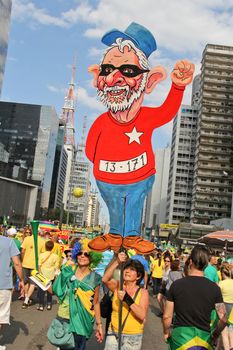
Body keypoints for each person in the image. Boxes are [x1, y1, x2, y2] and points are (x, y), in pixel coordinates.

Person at [86, 22, 194, 254]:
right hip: (107, 178)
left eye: (128, 71)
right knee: (115, 205)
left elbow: (166, 112)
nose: (114, 78)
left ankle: (132, 235)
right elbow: (89, 151)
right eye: (107, 70)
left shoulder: (145, 118)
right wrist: (107, 166)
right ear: (98, 77)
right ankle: (115, 233)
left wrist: (178, 87)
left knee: (134, 202)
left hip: (140, 176)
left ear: (151, 80)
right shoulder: (101, 122)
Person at [163, 245, 228, 350]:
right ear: (206, 265)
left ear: (191, 261)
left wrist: (166, 332)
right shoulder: (214, 288)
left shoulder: (177, 285)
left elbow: (167, 316)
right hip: (204, 340)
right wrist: (215, 334)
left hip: (180, 339)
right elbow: (224, 319)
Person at [52, 240, 104, 350]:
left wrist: (99, 325)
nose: (82, 256)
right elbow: (55, 290)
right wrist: (41, 281)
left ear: (92, 258)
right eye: (80, 253)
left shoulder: (95, 278)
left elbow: (95, 303)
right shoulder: (68, 271)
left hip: (83, 320)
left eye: (86, 254)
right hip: (66, 318)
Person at [102, 252, 149, 350]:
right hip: (113, 333)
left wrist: (127, 298)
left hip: (133, 337)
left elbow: (142, 315)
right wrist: (117, 261)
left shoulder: (143, 292)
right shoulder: (117, 286)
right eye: (126, 269)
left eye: (132, 270)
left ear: (138, 276)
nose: (127, 271)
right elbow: (105, 279)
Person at [0, 235, 24, 350]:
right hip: (3, 285)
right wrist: (22, 280)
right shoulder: (9, 242)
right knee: (1, 316)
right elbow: (17, 263)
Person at [21, 228, 45, 308]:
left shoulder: (27, 239)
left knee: (26, 282)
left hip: (25, 263)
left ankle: (26, 298)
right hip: (35, 265)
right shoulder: (42, 241)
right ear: (39, 233)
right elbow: (42, 255)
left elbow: (22, 251)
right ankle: (27, 299)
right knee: (32, 283)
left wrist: (22, 260)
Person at [37, 240, 59, 311]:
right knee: (50, 290)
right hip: (51, 274)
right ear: (52, 247)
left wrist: (39, 274)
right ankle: (49, 304)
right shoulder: (55, 256)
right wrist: (56, 275)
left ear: (45, 247)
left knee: (41, 290)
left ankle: (41, 305)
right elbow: (56, 267)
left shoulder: (41, 255)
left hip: (42, 273)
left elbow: (39, 265)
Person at [219, 265, 233, 350]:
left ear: (222, 274)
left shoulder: (221, 283)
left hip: (223, 306)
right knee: (231, 330)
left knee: (224, 331)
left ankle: (227, 348)